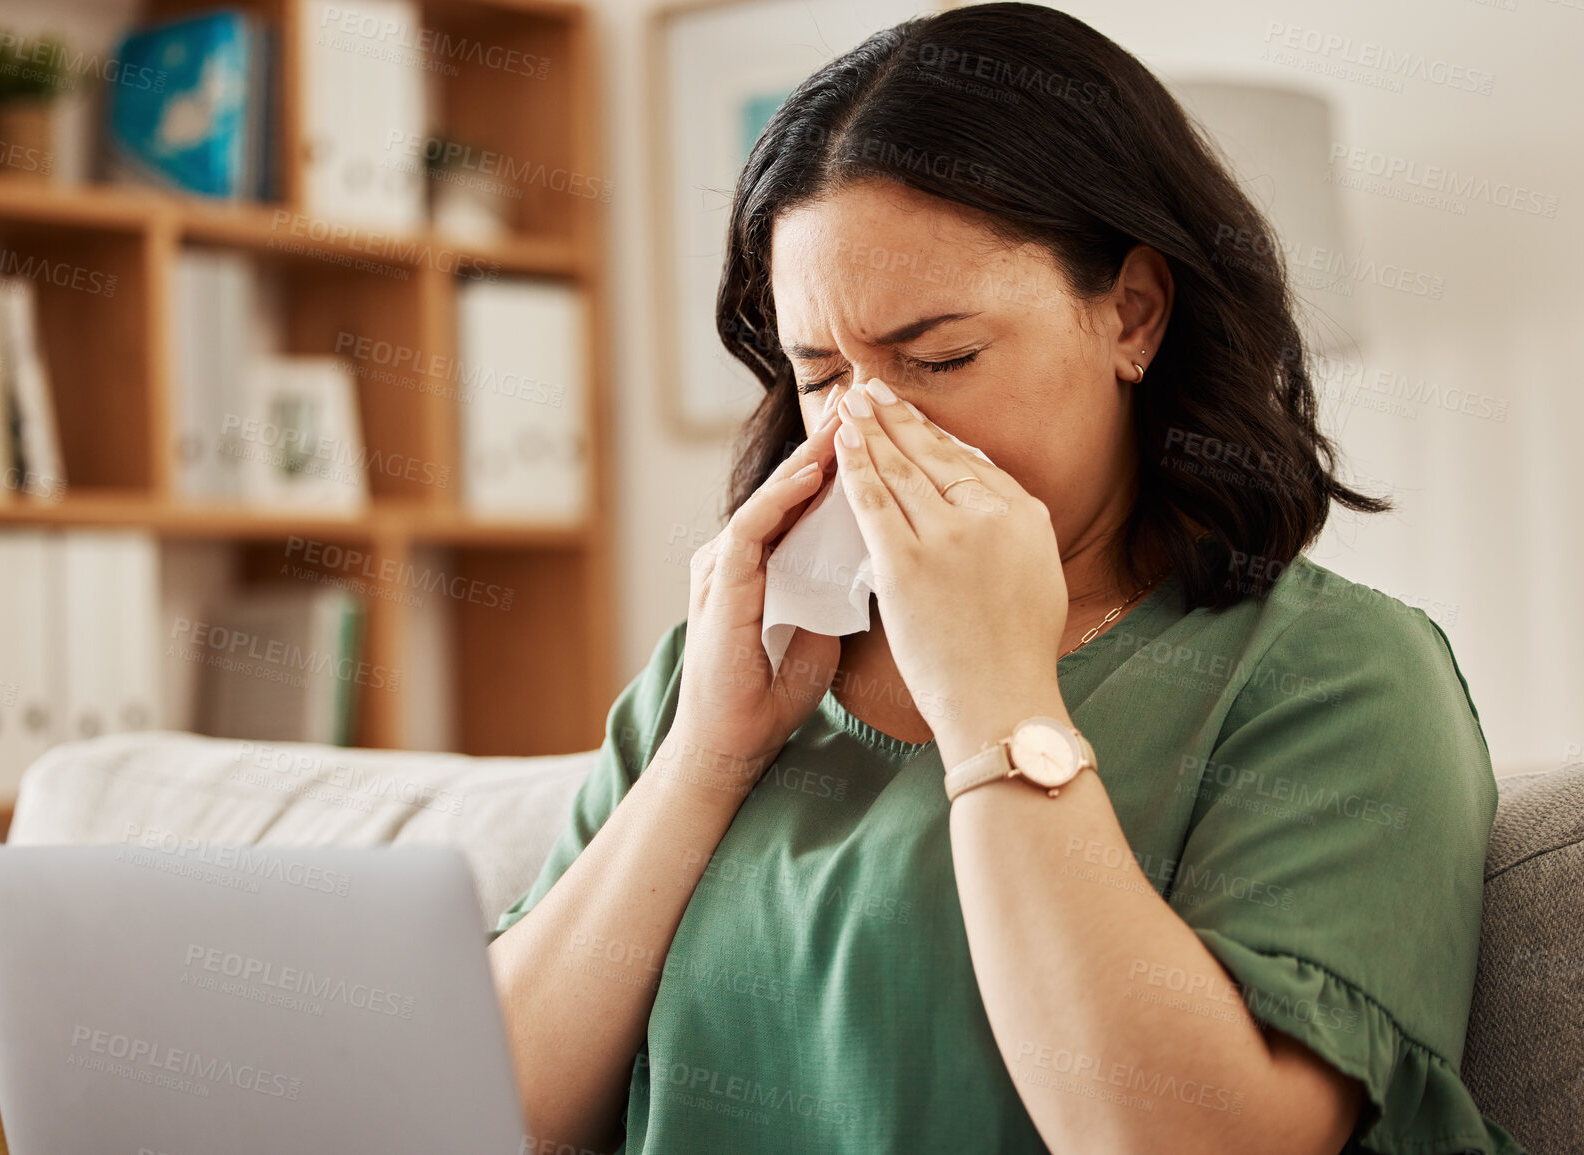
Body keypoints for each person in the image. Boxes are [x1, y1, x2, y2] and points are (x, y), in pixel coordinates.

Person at [487, 4, 1523, 1152]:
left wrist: (996, 700)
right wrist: (706, 760)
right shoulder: (726, 667)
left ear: (1133, 312)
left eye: (942, 358)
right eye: (822, 372)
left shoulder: (1336, 677)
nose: (870, 425)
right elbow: (486, 1117)